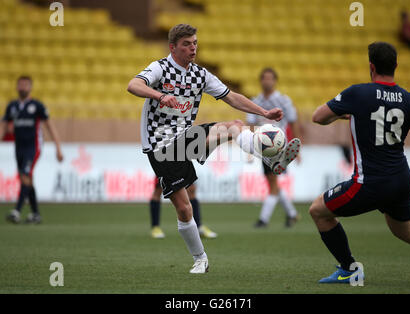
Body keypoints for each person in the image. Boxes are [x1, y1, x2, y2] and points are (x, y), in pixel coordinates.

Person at [127, 24, 300, 273]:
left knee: (234, 125)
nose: (193, 48)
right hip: (161, 145)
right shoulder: (160, 68)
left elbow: (231, 97)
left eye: (195, 43)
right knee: (184, 209)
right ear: (172, 47)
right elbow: (132, 85)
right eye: (187, 44)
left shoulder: (200, 74)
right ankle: (200, 259)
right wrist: (159, 96)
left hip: (186, 136)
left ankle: (270, 159)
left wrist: (264, 112)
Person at [310, 42, 410, 283]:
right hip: (401, 180)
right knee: (408, 231)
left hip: (370, 183)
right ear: (396, 66)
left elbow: (318, 117)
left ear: (371, 66)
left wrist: (344, 113)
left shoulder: (357, 94)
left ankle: (349, 269)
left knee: (318, 211)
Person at [0, 76, 64, 224]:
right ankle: (36, 214)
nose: (22, 87)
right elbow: (3, 125)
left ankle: (17, 210)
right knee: (27, 179)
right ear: (17, 87)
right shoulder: (12, 106)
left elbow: (50, 126)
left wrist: (58, 147)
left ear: (30, 87)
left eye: (25, 85)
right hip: (19, 148)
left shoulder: (37, 105)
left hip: (34, 147)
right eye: (20, 84)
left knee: (25, 175)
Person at [247, 68, 301, 228]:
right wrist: (250, 148)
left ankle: (263, 219)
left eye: (270, 78)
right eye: (264, 78)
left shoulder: (284, 101)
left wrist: (298, 146)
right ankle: (292, 214)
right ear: (260, 81)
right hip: (262, 148)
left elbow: (293, 122)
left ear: (275, 81)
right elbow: (250, 124)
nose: (267, 81)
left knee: (272, 181)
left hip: (279, 146)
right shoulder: (255, 101)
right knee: (273, 182)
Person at [149, 178, 217, 239]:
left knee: (191, 188)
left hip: (181, 164)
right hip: (164, 165)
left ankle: (198, 227)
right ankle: (155, 227)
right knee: (158, 189)